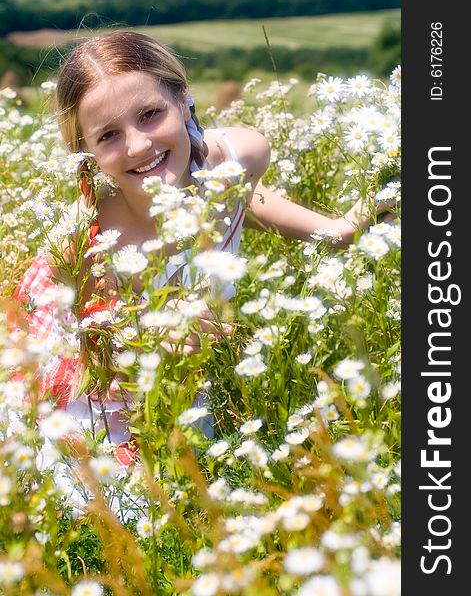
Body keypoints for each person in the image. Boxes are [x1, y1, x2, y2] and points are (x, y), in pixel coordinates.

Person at [13, 31, 392, 461]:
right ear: (85, 154)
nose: (138, 144)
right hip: (106, 421)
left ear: (182, 99)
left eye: (150, 113)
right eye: (108, 136)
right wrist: (148, 348)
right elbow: (63, 368)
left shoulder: (242, 154)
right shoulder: (86, 245)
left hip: (196, 404)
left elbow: (239, 196)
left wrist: (338, 230)